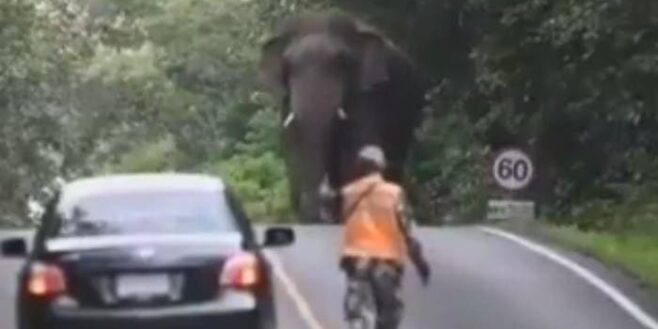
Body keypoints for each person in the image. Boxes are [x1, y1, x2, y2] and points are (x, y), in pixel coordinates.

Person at [338, 145, 431, 329]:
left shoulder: (347, 193)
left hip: (355, 258)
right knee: (391, 311)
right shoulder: (394, 193)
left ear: (358, 167)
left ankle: (354, 315)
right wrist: (420, 263)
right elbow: (407, 231)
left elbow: (334, 213)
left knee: (354, 302)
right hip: (385, 261)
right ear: (381, 167)